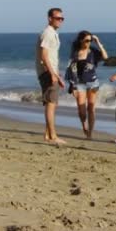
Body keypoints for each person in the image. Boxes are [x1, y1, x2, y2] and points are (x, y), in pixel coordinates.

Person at [65, 31, 108, 139]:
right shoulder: (75, 53)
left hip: (93, 82)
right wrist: (72, 85)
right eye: (87, 40)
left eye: (90, 41)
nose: (89, 43)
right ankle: (84, 126)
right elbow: (71, 69)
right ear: (81, 41)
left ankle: (90, 133)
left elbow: (105, 57)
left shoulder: (93, 52)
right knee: (81, 109)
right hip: (79, 83)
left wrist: (98, 43)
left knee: (91, 107)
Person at [36, 8, 66, 145]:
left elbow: (53, 57)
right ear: (50, 18)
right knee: (51, 104)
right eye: (57, 18)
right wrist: (52, 74)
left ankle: (48, 134)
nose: (60, 20)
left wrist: (58, 75)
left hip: (50, 72)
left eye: (62, 18)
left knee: (51, 103)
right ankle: (53, 136)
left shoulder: (53, 33)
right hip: (47, 73)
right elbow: (44, 56)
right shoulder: (48, 33)